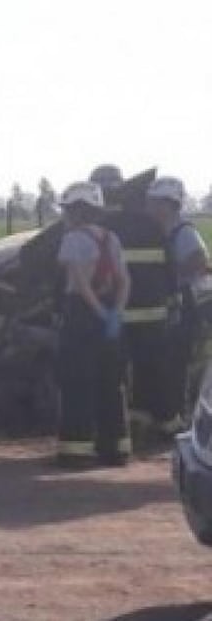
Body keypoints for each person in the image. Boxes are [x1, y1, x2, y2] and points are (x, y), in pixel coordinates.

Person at [90, 165, 180, 438]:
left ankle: (122, 426)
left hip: (117, 313)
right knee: (154, 367)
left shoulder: (105, 228)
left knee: (114, 370)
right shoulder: (152, 226)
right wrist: (172, 299)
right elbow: (170, 267)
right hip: (154, 313)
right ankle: (165, 423)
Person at [56, 181, 132, 467]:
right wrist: (115, 313)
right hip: (111, 313)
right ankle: (115, 448)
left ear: (76, 211)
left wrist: (97, 311)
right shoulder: (112, 238)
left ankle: (75, 450)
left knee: (77, 379)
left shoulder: (73, 239)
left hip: (82, 315)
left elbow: (78, 281)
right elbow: (124, 279)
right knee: (111, 381)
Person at [146, 176, 210, 419]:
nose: (151, 208)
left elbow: (200, 261)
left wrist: (171, 274)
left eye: (156, 203)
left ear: (170, 204)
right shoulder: (163, 231)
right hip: (175, 305)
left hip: (187, 306)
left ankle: (178, 416)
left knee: (177, 363)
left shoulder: (182, 232)